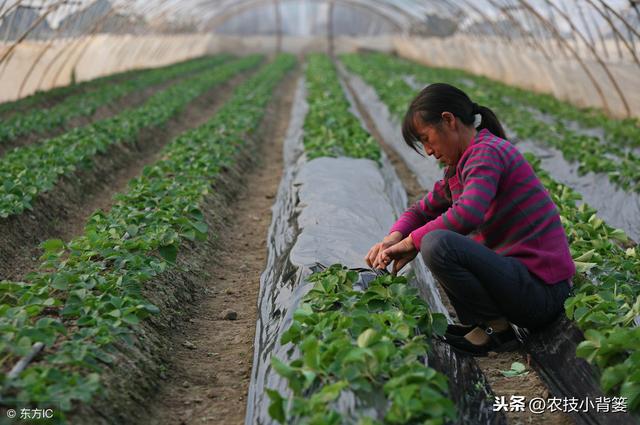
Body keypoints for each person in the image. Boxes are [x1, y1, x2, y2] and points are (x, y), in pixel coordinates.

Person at [365, 83, 575, 356]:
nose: (428, 151)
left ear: (448, 120)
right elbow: (421, 210)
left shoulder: (486, 153)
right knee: (434, 240)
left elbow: (468, 213)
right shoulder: (461, 166)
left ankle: (495, 330)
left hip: (543, 293)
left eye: (427, 138)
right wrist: (393, 237)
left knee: (437, 244)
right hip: (523, 284)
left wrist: (412, 242)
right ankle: (485, 325)